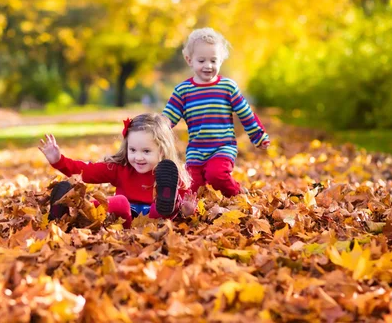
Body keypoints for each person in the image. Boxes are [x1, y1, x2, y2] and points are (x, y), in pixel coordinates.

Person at [37, 113, 195, 228]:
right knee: (120, 202)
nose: (138, 157)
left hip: (154, 222)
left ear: (162, 151)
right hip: (122, 221)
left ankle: (164, 205)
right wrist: (59, 161)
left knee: (162, 208)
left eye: (146, 151)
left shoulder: (170, 175)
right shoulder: (120, 168)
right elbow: (87, 171)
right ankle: (69, 211)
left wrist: (187, 211)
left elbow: (182, 213)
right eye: (132, 150)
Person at [162, 27, 270, 197]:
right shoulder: (183, 90)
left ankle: (238, 194)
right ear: (189, 60)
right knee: (192, 188)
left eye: (213, 61)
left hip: (222, 146)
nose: (208, 66)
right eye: (201, 60)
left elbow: (245, 113)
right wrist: (155, 131)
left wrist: (259, 136)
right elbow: (168, 118)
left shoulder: (227, 87)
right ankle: (186, 209)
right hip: (196, 150)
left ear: (220, 61)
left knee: (216, 175)